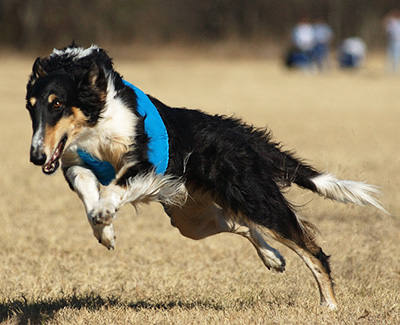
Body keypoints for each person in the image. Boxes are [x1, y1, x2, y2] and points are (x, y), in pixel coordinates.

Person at [383, 10, 400, 74]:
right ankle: (388, 70)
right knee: (389, 56)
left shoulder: (397, 23)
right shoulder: (392, 23)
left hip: (398, 42)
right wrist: (391, 14)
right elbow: (386, 20)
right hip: (391, 41)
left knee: (396, 56)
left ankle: (394, 70)